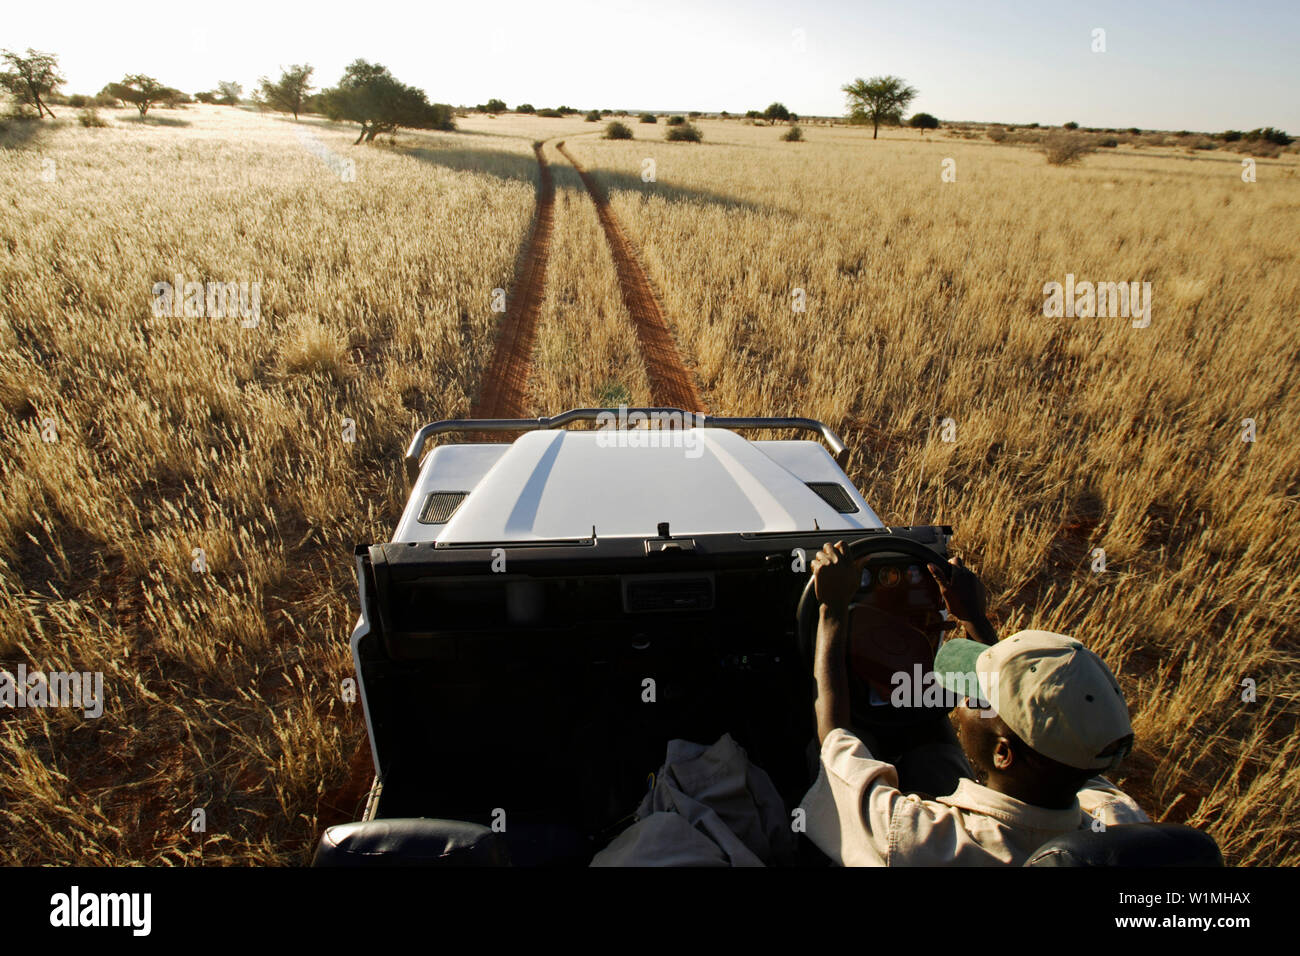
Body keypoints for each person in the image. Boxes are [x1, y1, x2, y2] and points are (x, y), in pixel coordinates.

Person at [798, 541, 1148, 866]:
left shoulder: (917, 838)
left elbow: (836, 747)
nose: (966, 695)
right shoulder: (1118, 818)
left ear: (1003, 753)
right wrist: (974, 619)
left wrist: (832, 609)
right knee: (933, 756)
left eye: (978, 695)